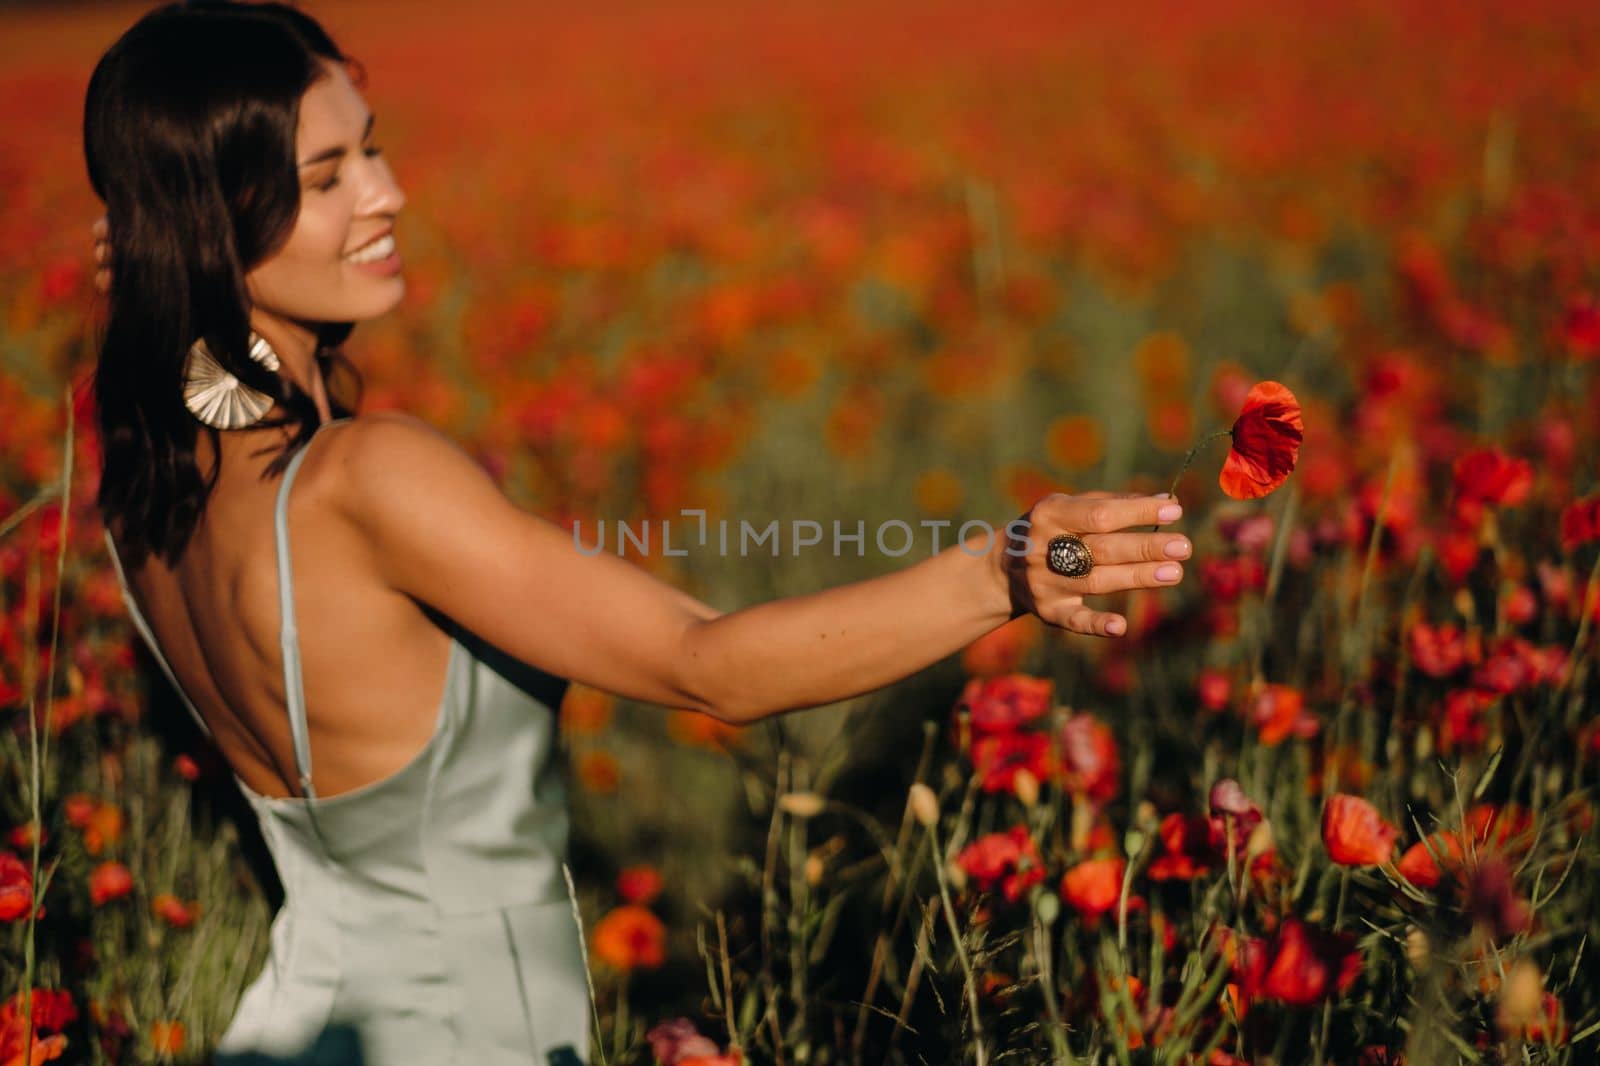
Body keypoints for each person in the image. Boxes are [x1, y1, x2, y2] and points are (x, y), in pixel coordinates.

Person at [84, 2, 1191, 1063]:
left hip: (295, 1028)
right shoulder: (367, 478)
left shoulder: (147, 495)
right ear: (207, 223)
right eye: (326, 178)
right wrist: (1009, 565)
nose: (389, 193)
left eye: (371, 150)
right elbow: (709, 666)